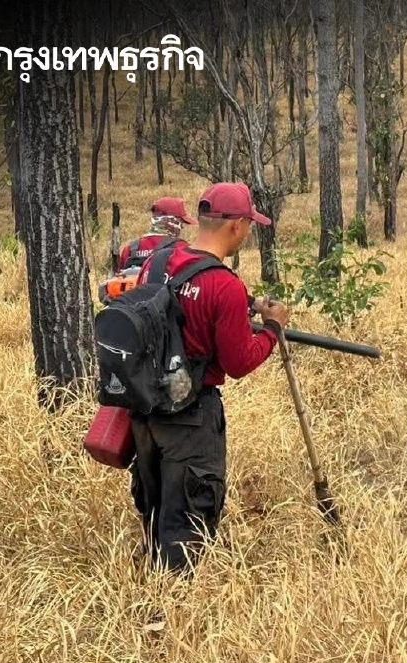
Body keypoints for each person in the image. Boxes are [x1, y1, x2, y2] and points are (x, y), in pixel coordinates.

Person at [130, 182, 291, 574]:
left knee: (155, 513)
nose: (249, 232)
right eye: (249, 224)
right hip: (191, 419)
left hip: (144, 411)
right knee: (186, 530)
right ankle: (171, 619)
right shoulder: (224, 286)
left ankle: (147, 595)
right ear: (236, 226)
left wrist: (246, 303)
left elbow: (177, 301)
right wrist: (271, 329)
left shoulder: (159, 261)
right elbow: (239, 363)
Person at [118, 197, 198, 272]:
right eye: (181, 223)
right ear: (172, 221)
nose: (182, 227)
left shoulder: (130, 249)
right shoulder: (181, 248)